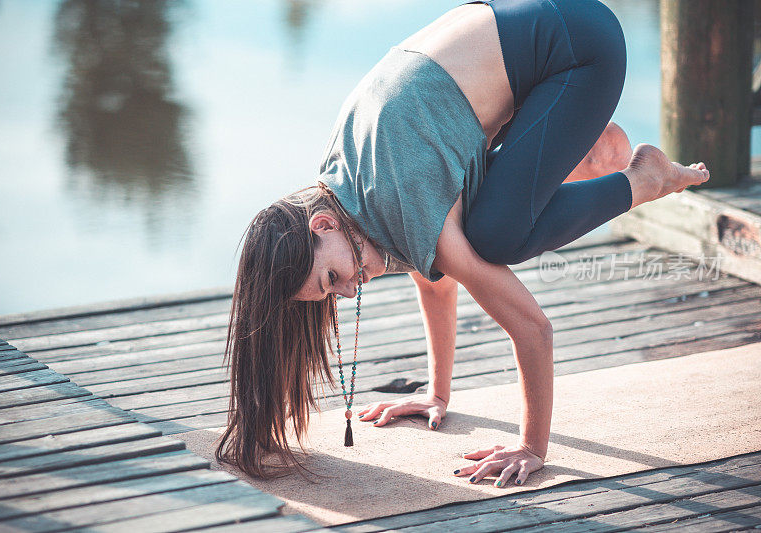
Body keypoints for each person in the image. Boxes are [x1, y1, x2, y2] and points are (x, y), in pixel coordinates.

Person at [217, 0, 710, 483]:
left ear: (321, 225)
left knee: (495, 237)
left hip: (582, 45)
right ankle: (590, 150)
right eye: (331, 294)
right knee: (477, 229)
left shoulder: (396, 193)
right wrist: (436, 393)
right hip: (536, 38)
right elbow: (433, 277)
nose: (347, 292)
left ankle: (642, 177)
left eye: (330, 279)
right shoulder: (347, 183)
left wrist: (531, 448)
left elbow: (533, 328)